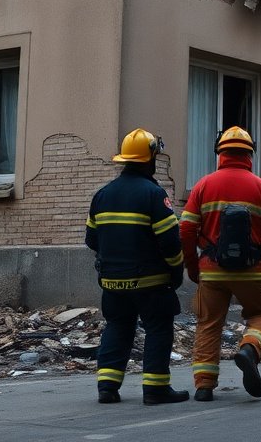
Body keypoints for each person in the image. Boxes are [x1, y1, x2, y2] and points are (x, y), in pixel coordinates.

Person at [180, 126, 261, 401]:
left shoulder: (204, 185)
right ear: (249, 154)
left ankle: (204, 385)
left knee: (209, 323)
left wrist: (192, 266)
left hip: (212, 270)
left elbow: (185, 229)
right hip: (251, 271)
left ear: (220, 153)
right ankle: (249, 349)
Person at [84, 128, 188, 405]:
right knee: (158, 328)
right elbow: (170, 242)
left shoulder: (102, 195)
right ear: (149, 159)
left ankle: (107, 386)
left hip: (112, 283)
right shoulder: (154, 195)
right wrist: (176, 272)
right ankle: (155, 389)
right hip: (151, 282)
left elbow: (92, 240)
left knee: (117, 326)